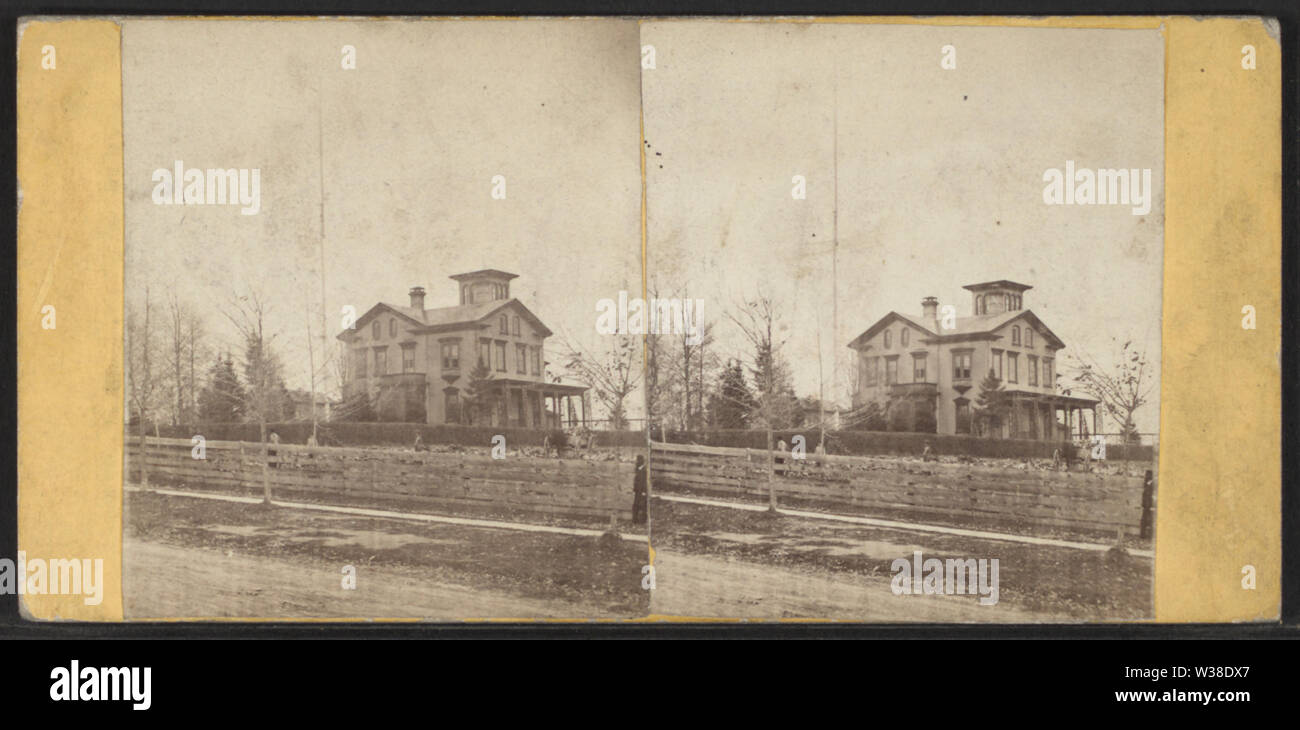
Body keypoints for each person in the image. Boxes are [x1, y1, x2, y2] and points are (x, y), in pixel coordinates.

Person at [631, 455, 648, 525]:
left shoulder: (644, 470)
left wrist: (644, 491)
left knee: (642, 506)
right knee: (636, 505)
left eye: (637, 460)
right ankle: (635, 520)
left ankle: (642, 521)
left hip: (642, 491)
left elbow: (644, 482)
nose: (635, 462)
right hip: (638, 491)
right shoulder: (639, 469)